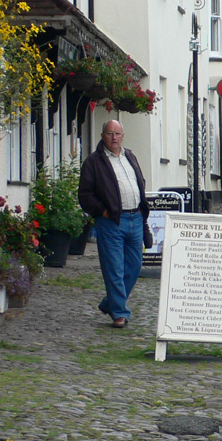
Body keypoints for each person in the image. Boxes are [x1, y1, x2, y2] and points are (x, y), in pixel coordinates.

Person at [77, 120, 150, 327]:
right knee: (114, 268)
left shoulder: (130, 157)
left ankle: (110, 302)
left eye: (117, 133)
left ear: (123, 136)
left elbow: (140, 184)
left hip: (135, 218)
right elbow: (85, 195)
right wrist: (103, 211)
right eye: (110, 133)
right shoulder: (94, 162)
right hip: (111, 221)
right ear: (103, 136)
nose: (114, 137)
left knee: (134, 266)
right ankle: (120, 312)